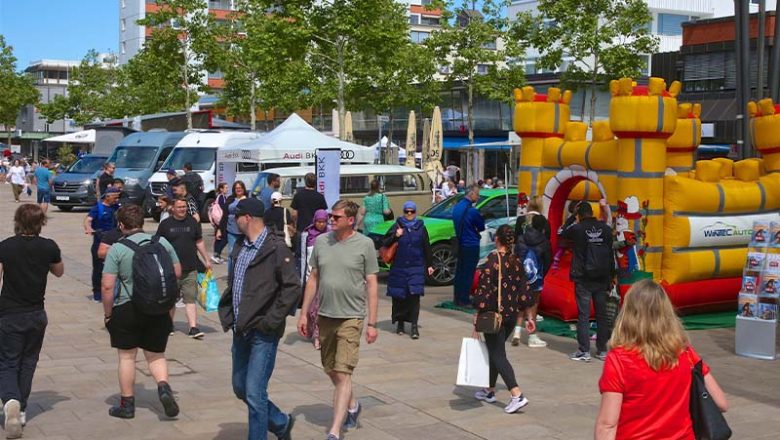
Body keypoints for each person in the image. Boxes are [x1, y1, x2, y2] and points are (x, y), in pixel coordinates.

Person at [595, 279, 728, 439]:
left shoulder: (619, 360)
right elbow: (721, 402)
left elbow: (608, 425)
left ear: (628, 313)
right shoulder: (685, 352)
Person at [218, 198, 300, 440]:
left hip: (263, 331)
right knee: (240, 387)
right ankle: (281, 422)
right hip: (240, 328)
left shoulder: (276, 248)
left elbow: (292, 287)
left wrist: (271, 320)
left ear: (248, 218)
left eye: (236, 217)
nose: (233, 221)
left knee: (255, 392)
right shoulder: (241, 246)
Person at [297, 200, 379, 440]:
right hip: (325, 316)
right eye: (331, 216)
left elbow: (373, 283)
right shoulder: (322, 242)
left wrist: (372, 323)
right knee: (331, 369)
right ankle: (353, 404)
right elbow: (313, 279)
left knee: (343, 371)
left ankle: (334, 430)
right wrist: (303, 313)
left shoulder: (365, 244)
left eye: (336, 217)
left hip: (351, 317)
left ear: (350, 220)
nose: (331, 220)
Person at [101, 204, 181, 420]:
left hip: (127, 308)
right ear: (141, 222)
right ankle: (163, 387)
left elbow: (107, 286)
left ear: (121, 224)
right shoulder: (161, 242)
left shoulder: (117, 248)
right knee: (156, 355)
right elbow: (176, 272)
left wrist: (108, 314)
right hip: (158, 307)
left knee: (127, 357)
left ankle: (127, 405)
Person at [0, 204, 64, 439]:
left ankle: (10, 401)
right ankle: (22, 409)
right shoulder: (48, 246)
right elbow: (59, 271)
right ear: (41, 222)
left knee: (7, 361)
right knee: (28, 361)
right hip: (36, 313)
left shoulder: (5, 246)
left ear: (17, 221)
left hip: (9, 312)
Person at [471, 224, 535, 414]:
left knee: (498, 354)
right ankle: (489, 390)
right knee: (495, 350)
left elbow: (483, 290)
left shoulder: (493, 259)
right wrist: (529, 317)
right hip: (511, 315)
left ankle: (516, 394)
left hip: (494, 315)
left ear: (497, 239)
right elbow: (525, 291)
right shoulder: (516, 260)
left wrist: (477, 314)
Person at [561, 201, 616, 362]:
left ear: (579, 214)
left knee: (584, 315)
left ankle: (584, 350)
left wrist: (572, 217)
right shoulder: (605, 229)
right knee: (601, 314)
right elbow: (610, 253)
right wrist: (612, 275)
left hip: (583, 277)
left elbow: (562, 233)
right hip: (601, 277)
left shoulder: (577, 229)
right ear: (592, 212)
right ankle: (601, 350)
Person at [156, 197, 212, 339]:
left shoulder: (192, 222)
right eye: (179, 207)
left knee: (190, 298)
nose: (182, 209)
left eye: (184, 207)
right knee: (170, 300)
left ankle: (193, 327)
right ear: (172, 208)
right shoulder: (165, 224)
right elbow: (158, 245)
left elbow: (199, 241)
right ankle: (168, 325)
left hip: (190, 268)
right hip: (171, 269)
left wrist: (206, 259)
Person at [382, 201, 433, 340]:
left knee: (414, 297)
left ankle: (414, 326)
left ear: (415, 212)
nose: (409, 214)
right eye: (406, 211)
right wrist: (396, 236)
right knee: (399, 297)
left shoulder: (421, 228)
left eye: (411, 211)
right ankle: (400, 323)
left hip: (416, 267)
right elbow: (385, 242)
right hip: (399, 267)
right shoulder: (397, 226)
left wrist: (430, 265)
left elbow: (426, 246)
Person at [512, 197, 552, 348]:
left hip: (521, 263)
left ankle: (516, 331)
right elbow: (547, 246)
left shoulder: (520, 220)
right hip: (537, 265)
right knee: (534, 302)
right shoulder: (543, 222)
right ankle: (532, 335)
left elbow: (515, 241)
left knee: (521, 299)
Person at [84, 188, 120, 302]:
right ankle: (97, 293)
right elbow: (88, 220)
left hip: (114, 241)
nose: (116, 199)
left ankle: (114, 292)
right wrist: (89, 228)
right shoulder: (97, 208)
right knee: (98, 269)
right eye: (115, 197)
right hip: (99, 241)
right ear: (107, 197)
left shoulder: (116, 207)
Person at [452, 184, 485, 306]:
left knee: (460, 271)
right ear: (471, 194)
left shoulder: (457, 207)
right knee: (468, 273)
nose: (478, 196)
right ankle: (464, 300)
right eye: (477, 194)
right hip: (471, 244)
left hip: (460, 243)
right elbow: (481, 226)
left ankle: (457, 297)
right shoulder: (472, 211)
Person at [301, 209, 330, 349]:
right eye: (318, 222)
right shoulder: (307, 235)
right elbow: (302, 258)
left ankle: (319, 336)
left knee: (321, 310)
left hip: (326, 279)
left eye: (323, 222)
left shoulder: (330, 236)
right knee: (312, 310)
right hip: (311, 279)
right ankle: (314, 333)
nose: (321, 224)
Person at [217, 180, 248, 272]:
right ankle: (231, 276)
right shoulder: (230, 199)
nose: (238, 189)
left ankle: (241, 273)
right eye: (236, 188)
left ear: (243, 189)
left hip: (244, 231)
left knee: (243, 253)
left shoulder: (248, 199)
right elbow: (224, 214)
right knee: (231, 253)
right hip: (231, 230)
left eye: (240, 188)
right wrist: (219, 229)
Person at [212, 182, 229, 264]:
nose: (227, 189)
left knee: (219, 238)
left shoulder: (222, 197)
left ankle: (217, 255)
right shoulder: (221, 197)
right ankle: (216, 254)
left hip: (219, 221)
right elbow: (223, 209)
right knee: (224, 238)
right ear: (221, 189)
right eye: (225, 187)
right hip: (220, 221)